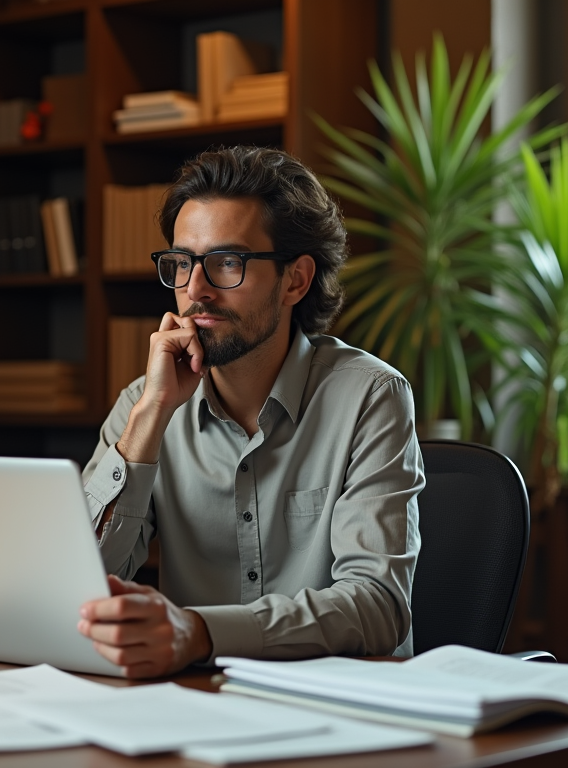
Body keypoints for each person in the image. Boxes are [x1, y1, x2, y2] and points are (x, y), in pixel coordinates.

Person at [78, 146, 423, 679]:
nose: (195, 290)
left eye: (227, 263)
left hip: (346, 718)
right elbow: (79, 588)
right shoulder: (145, 404)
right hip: (198, 707)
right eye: (182, 264)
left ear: (295, 280)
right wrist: (150, 418)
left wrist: (201, 633)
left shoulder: (370, 396)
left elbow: (377, 605)